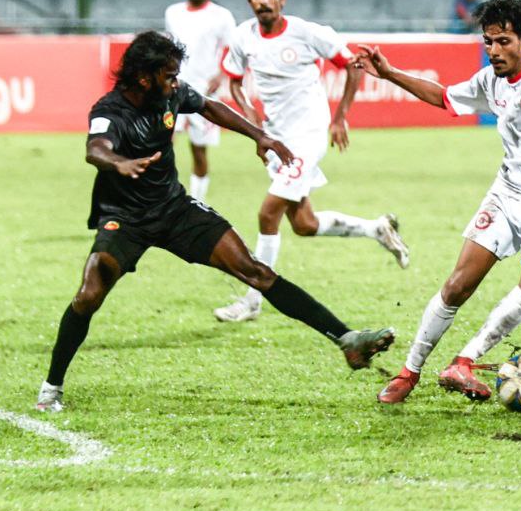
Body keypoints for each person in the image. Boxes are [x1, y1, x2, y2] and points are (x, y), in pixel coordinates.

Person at [34, 32, 394, 413]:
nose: (176, 83)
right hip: (125, 219)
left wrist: (259, 136)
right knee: (89, 294)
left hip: (174, 210)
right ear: (144, 78)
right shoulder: (110, 110)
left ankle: (348, 340)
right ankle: (51, 387)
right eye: (169, 76)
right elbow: (95, 149)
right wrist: (119, 163)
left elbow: (209, 107)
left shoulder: (170, 94)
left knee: (255, 270)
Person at [360, 0, 521, 404]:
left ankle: (464, 360)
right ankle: (409, 372)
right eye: (489, 41)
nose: (494, 50)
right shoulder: (488, 81)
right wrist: (389, 73)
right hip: (508, 195)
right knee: (457, 285)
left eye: (504, 41)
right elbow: (443, 97)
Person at [212, 0, 410, 324]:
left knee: (267, 214)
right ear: (249, 0)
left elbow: (353, 65)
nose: (263, 1)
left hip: (308, 136)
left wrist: (340, 116)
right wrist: (252, 121)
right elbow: (235, 82)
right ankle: (376, 228)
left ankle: (253, 300)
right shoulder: (243, 37)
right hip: (277, 139)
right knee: (304, 224)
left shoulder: (306, 33)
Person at [163, 0, 236, 203]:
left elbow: (230, 48)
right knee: (162, 143)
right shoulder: (173, 13)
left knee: (198, 149)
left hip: (204, 89)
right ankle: (162, 194)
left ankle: (197, 200)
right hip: (173, 87)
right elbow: (170, 47)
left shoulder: (221, 16)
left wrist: (221, 75)